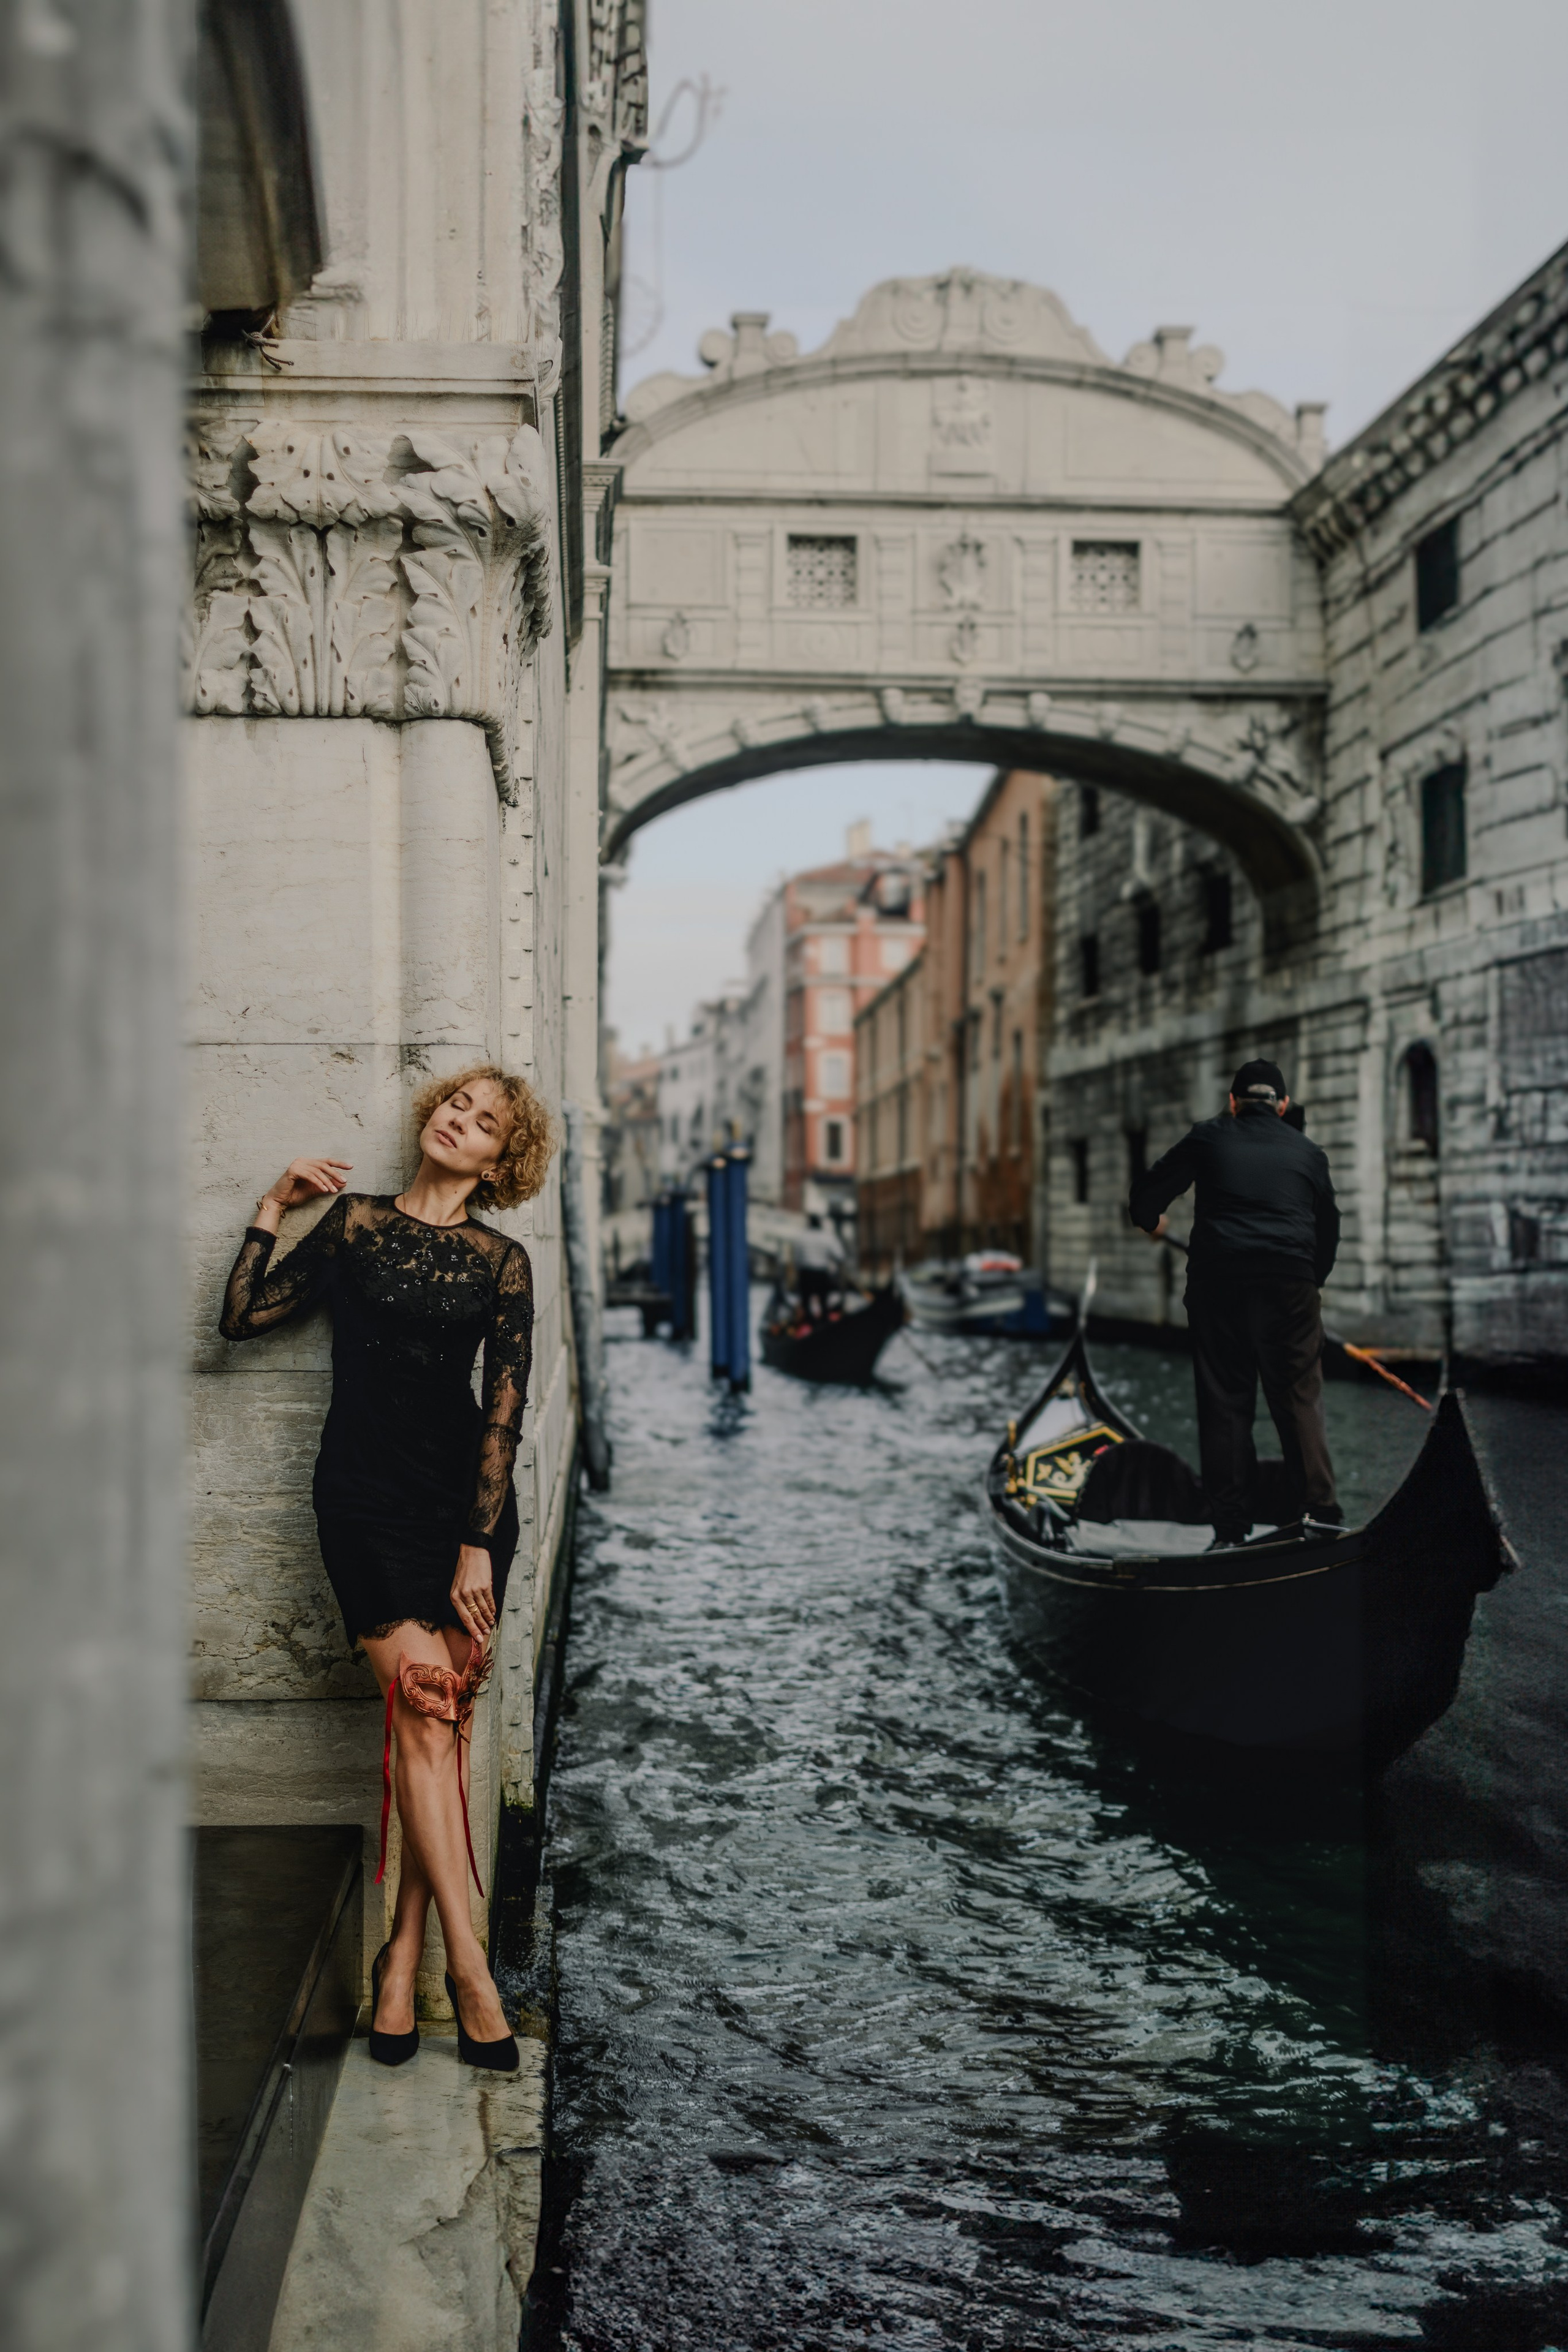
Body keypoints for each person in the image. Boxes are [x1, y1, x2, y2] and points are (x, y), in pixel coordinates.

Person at [219, 1066, 556, 2070]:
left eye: (485, 1122)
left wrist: (475, 1545)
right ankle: (471, 1972)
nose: (461, 1122)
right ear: (432, 1119)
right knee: (423, 1712)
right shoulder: (356, 1225)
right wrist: (273, 1206)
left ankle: (397, 1964)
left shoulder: (503, 1261)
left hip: (463, 1511)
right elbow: (242, 1320)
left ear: (501, 1160)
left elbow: (504, 1404)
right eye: (456, 1106)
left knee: (437, 1728)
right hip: (362, 1502)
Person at [1128, 1059, 1340, 1547]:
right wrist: (1308, 1284)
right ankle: (1322, 1515)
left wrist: (1151, 1222)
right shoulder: (1310, 1154)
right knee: (1298, 1396)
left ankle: (1229, 1530)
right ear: (1282, 1106)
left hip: (1219, 1281)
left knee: (1225, 1400)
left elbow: (1145, 1198)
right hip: (1291, 1285)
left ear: (1232, 1103)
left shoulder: (1209, 1136)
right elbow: (1327, 1233)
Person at [793, 1210, 845, 1318]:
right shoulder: (827, 1237)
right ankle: (824, 1323)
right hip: (821, 1273)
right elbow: (840, 1256)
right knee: (823, 1301)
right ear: (820, 1224)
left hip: (805, 1273)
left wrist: (798, 1270)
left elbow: (797, 1258)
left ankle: (807, 1322)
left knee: (805, 1301)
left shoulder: (801, 1238)